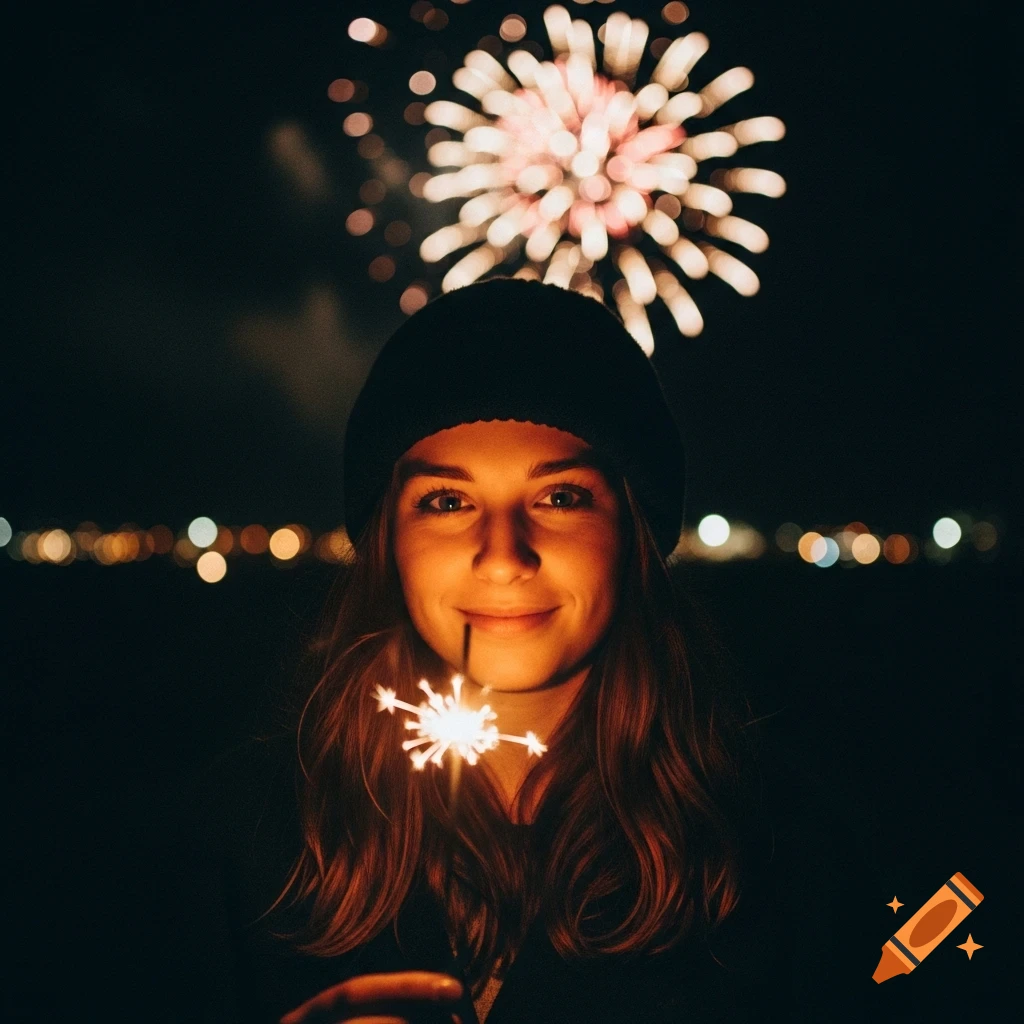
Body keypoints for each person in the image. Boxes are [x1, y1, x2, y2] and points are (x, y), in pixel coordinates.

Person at [155, 278, 880, 1023]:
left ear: (635, 536)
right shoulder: (241, 844)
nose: (503, 557)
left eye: (559, 497)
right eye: (447, 501)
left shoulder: (785, 860)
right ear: (387, 545)